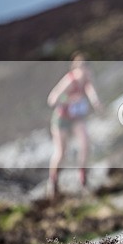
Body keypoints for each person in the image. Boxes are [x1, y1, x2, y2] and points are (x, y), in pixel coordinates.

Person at [47, 52, 102, 199]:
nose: (84, 72)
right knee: (61, 152)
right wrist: (69, 99)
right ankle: (53, 182)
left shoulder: (87, 78)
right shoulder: (69, 80)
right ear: (76, 69)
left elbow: (91, 90)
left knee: (85, 144)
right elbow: (53, 99)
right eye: (82, 68)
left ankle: (83, 179)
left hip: (77, 118)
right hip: (62, 118)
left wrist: (96, 103)